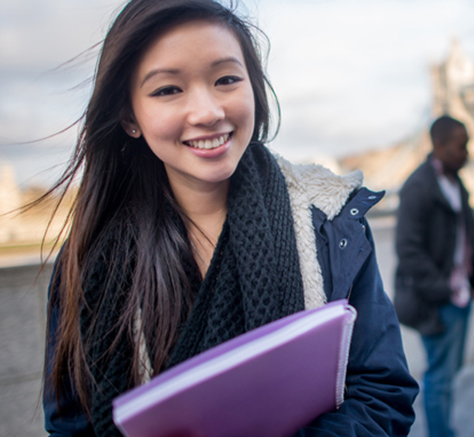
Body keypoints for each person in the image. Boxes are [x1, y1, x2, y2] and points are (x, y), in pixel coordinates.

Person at [40, 1, 418, 435]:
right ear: (129, 117)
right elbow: (72, 423)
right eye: (168, 90)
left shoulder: (330, 220)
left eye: (226, 80)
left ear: (254, 88)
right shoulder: (91, 260)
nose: (207, 112)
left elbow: (382, 390)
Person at [394, 115, 474, 437]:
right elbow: (408, 249)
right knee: (440, 378)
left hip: (461, 295)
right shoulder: (417, 187)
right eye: (461, 146)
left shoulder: (457, 183)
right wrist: (442, 290)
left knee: (449, 373)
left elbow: (470, 241)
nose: (467, 152)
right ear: (439, 145)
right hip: (439, 300)